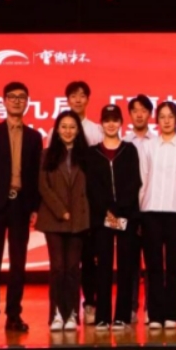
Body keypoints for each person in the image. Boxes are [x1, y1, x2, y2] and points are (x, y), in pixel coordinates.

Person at [0, 82, 42, 334]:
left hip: (21, 205)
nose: (16, 101)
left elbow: (35, 176)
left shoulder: (34, 137)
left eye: (21, 97)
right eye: (12, 97)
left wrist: (35, 207)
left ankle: (14, 314)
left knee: (18, 263)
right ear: (4, 101)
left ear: (27, 102)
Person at [139, 101, 176, 330]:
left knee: (173, 265)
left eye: (170, 116)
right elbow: (142, 179)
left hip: (175, 211)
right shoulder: (148, 147)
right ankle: (154, 314)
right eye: (162, 116)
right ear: (157, 120)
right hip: (150, 211)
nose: (166, 120)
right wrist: (139, 212)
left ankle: (173, 313)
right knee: (153, 265)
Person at [86, 105, 142, 332]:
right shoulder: (93, 152)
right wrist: (107, 210)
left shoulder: (129, 150)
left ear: (121, 123)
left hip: (126, 216)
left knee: (126, 266)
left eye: (115, 120)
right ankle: (102, 316)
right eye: (107, 120)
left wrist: (120, 210)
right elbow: (92, 186)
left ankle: (122, 316)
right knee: (103, 266)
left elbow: (134, 182)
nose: (111, 124)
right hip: (101, 218)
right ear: (101, 124)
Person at [36, 111, 90, 332]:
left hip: (79, 220)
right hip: (53, 219)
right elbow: (43, 187)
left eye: (72, 127)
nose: (68, 131)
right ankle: (57, 314)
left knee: (73, 269)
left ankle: (72, 314)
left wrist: (78, 213)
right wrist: (61, 211)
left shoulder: (86, 156)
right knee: (58, 268)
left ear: (78, 131)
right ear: (57, 130)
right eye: (64, 126)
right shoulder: (46, 155)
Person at [63, 81, 103, 326]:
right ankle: (67, 308)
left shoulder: (96, 130)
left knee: (89, 258)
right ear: (67, 100)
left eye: (82, 96)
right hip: (64, 207)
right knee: (66, 262)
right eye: (73, 96)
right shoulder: (58, 129)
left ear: (88, 99)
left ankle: (90, 303)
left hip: (89, 206)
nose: (78, 100)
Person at [125, 94, 156, 325]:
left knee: (153, 261)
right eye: (135, 110)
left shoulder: (158, 143)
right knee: (130, 263)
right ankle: (131, 308)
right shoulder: (123, 143)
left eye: (143, 110)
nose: (139, 114)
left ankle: (151, 309)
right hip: (128, 210)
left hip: (152, 208)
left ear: (150, 114)